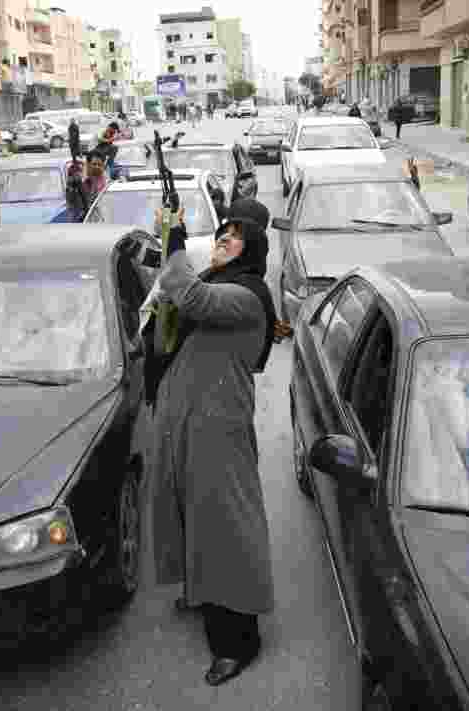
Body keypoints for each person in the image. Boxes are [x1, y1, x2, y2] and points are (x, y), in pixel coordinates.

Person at [142, 198, 282, 687]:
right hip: (186, 422)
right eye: (219, 232)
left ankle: (238, 640)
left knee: (226, 526)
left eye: (235, 235)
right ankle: (202, 590)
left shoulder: (247, 295)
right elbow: (176, 313)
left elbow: (191, 297)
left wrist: (175, 238)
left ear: (254, 248)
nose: (223, 238)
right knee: (189, 513)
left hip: (216, 426)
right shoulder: (220, 282)